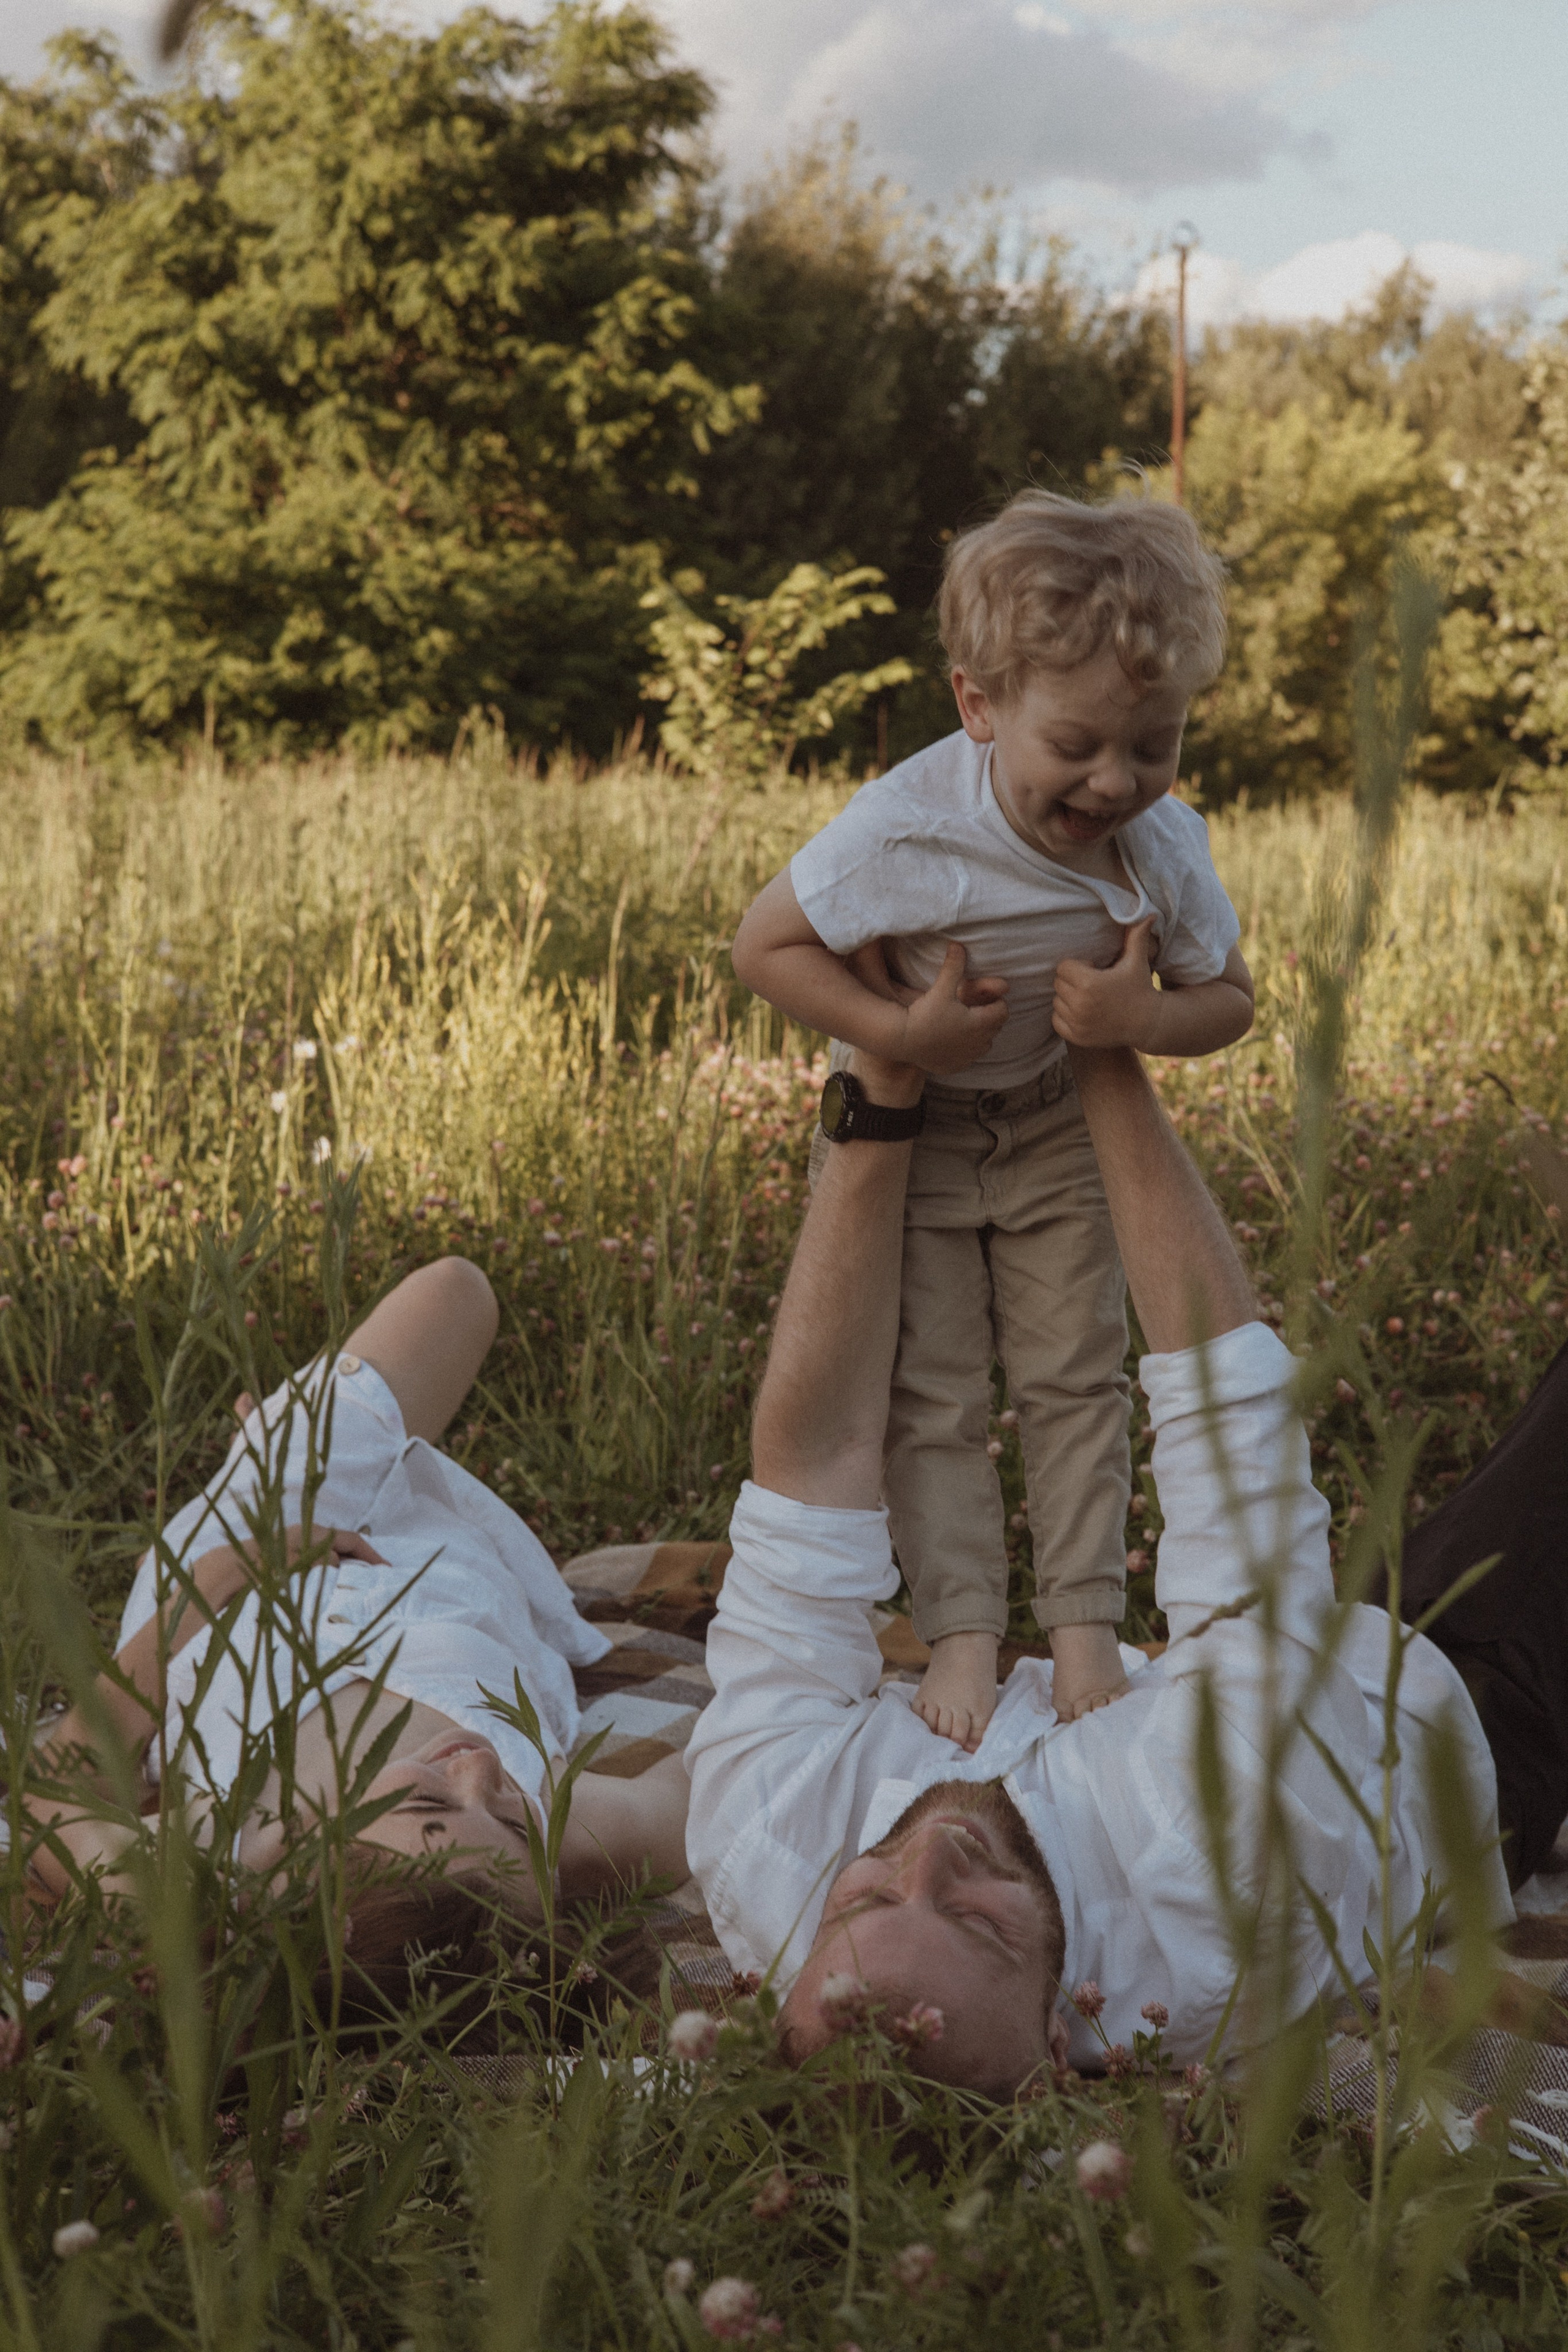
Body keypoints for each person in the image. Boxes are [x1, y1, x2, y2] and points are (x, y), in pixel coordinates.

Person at [683, 1028, 1519, 2098]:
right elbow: (1229, 1426)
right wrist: (1097, 1048)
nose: (932, 1855)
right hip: (1446, 1715)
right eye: (975, 1927)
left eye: (869, 1901)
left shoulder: (767, 1850)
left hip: (1215, 1673)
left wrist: (881, 1086)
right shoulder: (1224, 1882)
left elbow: (814, 1464)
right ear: (1056, 2050)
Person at [731, 492, 1254, 1749]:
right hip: (917, 1136)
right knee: (932, 1390)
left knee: (1075, 1377)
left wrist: (1137, 1018)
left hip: (1053, 1125)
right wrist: (900, 1036)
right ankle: (961, 1625)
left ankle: (1079, 1620)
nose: (1114, 781)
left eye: (1155, 745)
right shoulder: (908, 826)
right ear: (978, 706)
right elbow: (764, 945)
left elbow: (1226, 1000)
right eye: (1075, 743)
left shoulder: (1157, 846)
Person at [24, 1259, 690, 1972]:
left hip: (237, 1569)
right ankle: (281, 1437)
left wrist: (219, 1573)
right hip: (435, 1560)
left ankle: (258, 1458)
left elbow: (55, 1791)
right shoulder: (563, 1832)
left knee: (449, 1293)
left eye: (424, 1806)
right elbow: (714, 1784)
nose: (478, 1772)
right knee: (459, 1290)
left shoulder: (213, 1863)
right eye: (509, 1824)